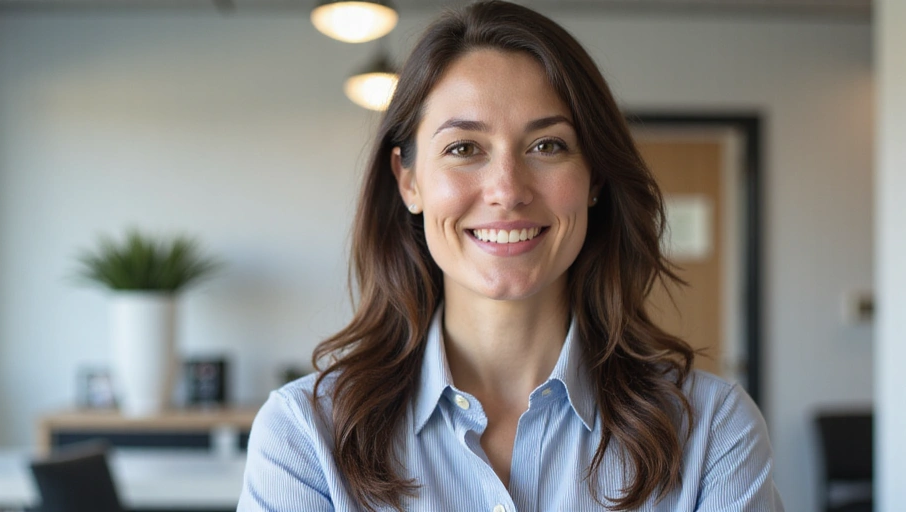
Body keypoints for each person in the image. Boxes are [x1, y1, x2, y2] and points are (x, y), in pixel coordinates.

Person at [238, 2, 779, 510]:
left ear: (593, 178)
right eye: (463, 149)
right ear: (408, 181)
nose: (507, 189)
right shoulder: (306, 435)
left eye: (548, 146)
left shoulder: (712, 429)